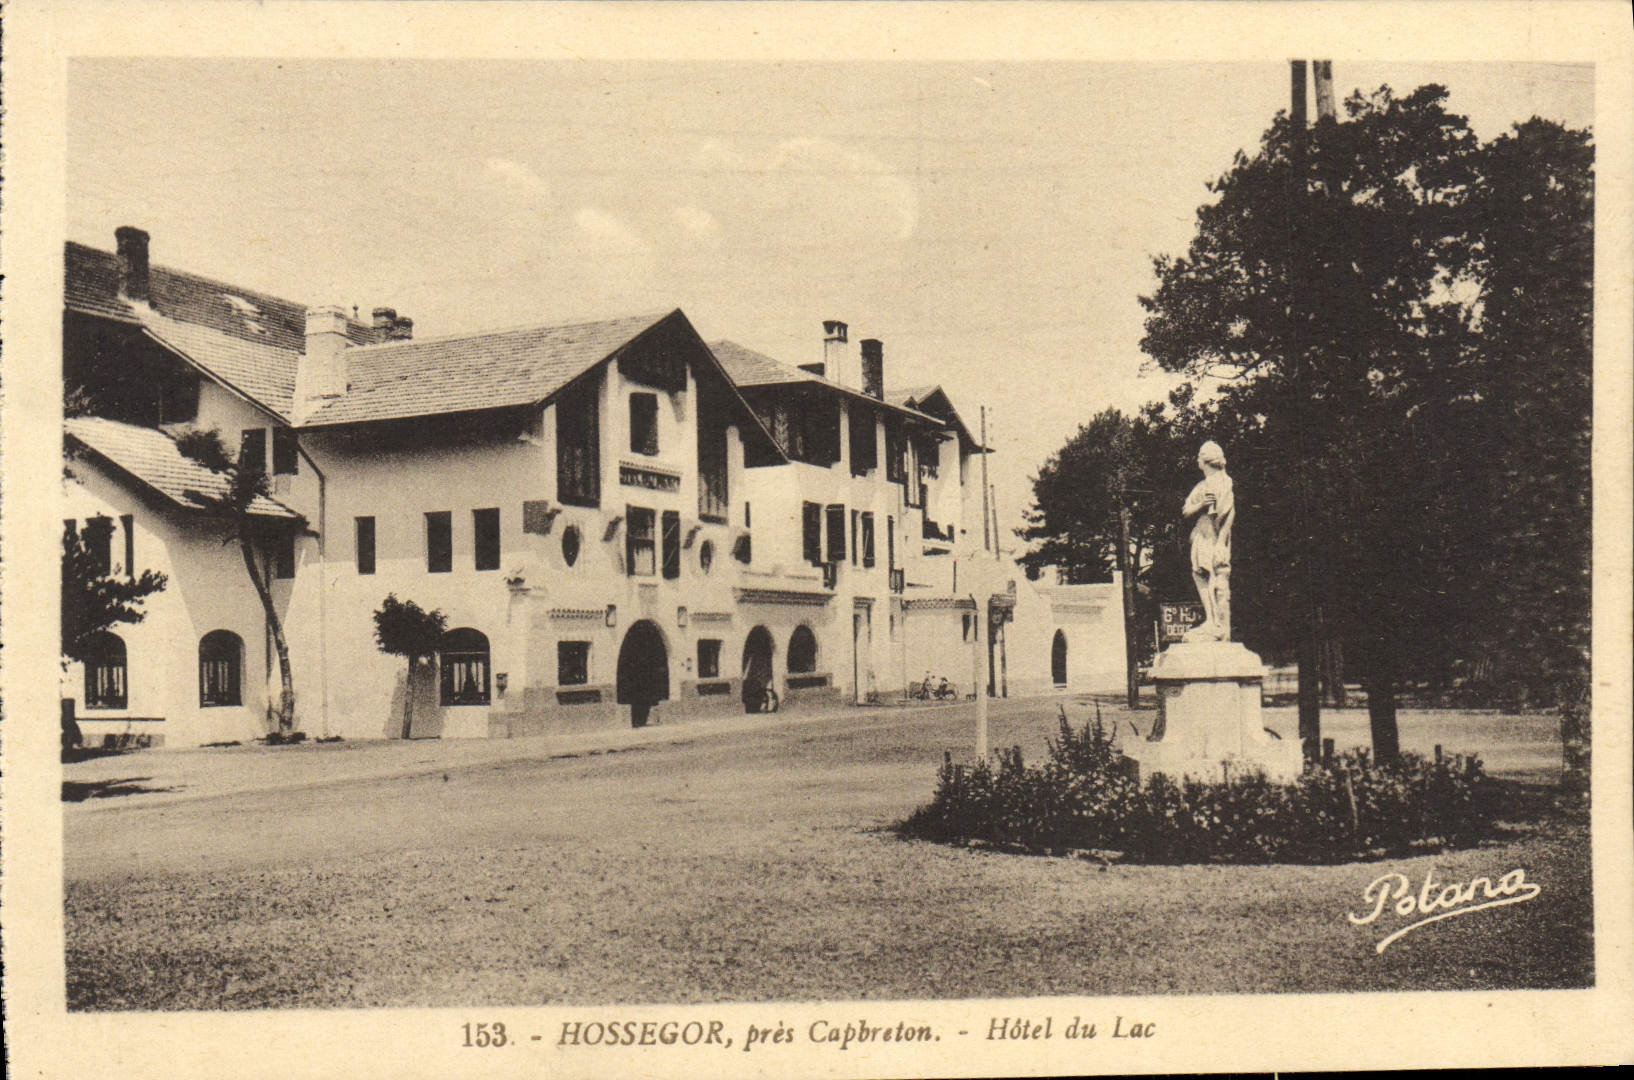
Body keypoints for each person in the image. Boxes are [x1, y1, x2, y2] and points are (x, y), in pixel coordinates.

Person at [1181, 440, 1234, 642]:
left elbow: (1229, 513)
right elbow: (1186, 510)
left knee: (1210, 576)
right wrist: (1202, 503)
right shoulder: (1203, 486)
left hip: (1211, 536)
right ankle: (1213, 621)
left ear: (1205, 461)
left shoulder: (1224, 483)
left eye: (1199, 458)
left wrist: (1221, 541)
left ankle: (1215, 624)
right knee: (1202, 574)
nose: (1197, 461)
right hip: (1202, 535)